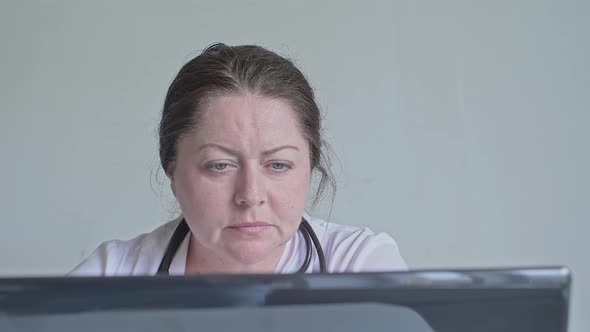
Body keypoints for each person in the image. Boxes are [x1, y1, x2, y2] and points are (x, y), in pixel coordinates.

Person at [69, 43, 407, 276]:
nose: (250, 195)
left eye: (278, 165)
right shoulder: (110, 275)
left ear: (310, 167)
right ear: (173, 174)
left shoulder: (362, 266)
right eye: (220, 165)